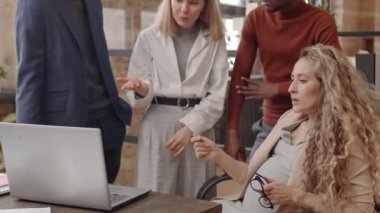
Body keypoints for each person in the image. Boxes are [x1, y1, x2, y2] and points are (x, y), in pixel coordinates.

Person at [192, 44, 379, 212]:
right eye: (292, 79)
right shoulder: (290, 119)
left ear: (328, 87)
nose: (291, 88)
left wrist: (297, 197)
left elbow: (362, 209)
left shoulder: (344, 136)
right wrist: (217, 154)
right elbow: (247, 176)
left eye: (303, 81)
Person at [118, 0, 228, 198]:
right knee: (155, 196)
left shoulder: (215, 39)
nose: (184, 9)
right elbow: (140, 89)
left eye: (193, 3)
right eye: (178, 1)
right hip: (158, 125)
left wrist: (190, 128)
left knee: (197, 196)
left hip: (198, 128)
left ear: (205, 5)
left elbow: (218, 93)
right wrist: (142, 90)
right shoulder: (148, 37)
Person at [15, 0, 132, 183]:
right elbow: (29, 77)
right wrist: (29, 146)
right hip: (66, 128)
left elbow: (98, 57)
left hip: (109, 126)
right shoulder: (34, 3)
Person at [225, 0, 341, 161]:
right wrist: (231, 132)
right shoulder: (255, 19)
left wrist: (277, 88)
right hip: (270, 126)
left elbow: (334, 78)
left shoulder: (321, 21)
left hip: (313, 127)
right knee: (251, 183)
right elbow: (239, 78)